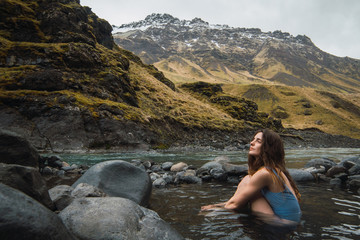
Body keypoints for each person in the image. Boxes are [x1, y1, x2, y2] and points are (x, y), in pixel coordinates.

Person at [201, 129, 301, 225]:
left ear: (268, 148)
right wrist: (216, 205)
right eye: (253, 139)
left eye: (258, 141)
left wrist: (212, 212)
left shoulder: (265, 173)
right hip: (292, 223)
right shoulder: (277, 170)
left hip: (280, 225)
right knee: (248, 183)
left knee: (247, 181)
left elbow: (235, 204)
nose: (252, 143)